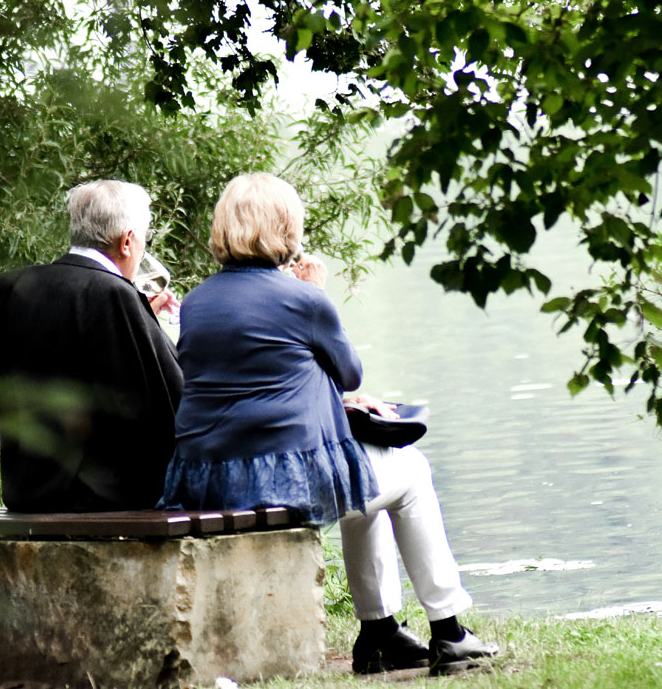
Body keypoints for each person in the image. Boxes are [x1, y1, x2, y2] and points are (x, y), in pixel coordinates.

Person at [158, 172, 498, 676]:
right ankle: (449, 630)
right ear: (285, 227)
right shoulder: (303, 299)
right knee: (411, 471)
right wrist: (316, 293)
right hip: (280, 482)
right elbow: (349, 372)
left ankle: (380, 633)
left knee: (369, 485)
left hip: (208, 478)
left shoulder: (198, 302)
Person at [0, 179, 183, 512]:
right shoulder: (114, 294)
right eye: (145, 239)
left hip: (26, 492)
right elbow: (169, 399)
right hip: (102, 499)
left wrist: (141, 313)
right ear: (128, 241)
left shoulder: (10, 288)